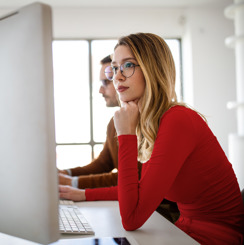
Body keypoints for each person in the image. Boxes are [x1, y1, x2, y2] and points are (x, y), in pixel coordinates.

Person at [59, 33, 244, 244]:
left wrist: (126, 135)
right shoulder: (153, 124)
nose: (118, 77)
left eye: (128, 65)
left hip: (214, 238)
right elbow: (138, 189)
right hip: (183, 231)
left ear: (152, 69)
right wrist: (83, 195)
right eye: (116, 68)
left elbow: (132, 218)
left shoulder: (178, 119)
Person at [58, 55, 120, 189]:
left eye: (106, 82)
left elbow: (135, 177)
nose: (100, 90)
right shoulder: (115, 122)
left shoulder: (151, 122)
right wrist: (66, 173)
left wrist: (72, 182)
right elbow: (103, 164)